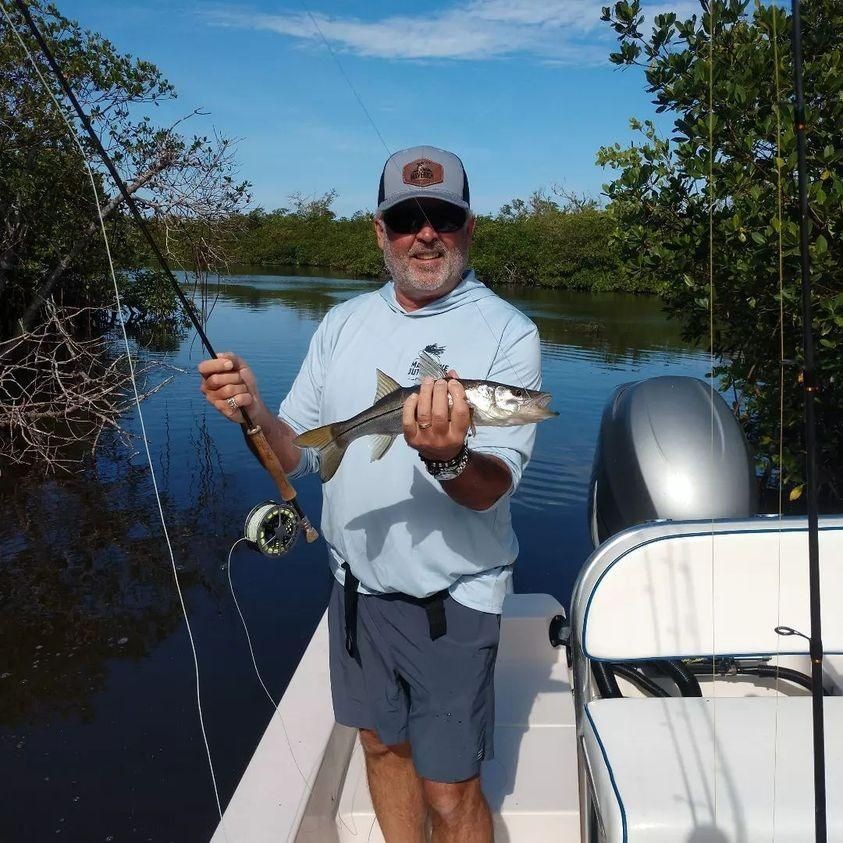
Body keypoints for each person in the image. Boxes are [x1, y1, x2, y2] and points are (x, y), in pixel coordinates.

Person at [199, 146, 542, 843]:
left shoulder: (509, 332)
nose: (425, 233)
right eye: (406, 218)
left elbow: (491, 486)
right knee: (381, 748)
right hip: (354, 591)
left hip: (453, 599)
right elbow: (295, 450)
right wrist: (253, 410)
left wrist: (447, 460)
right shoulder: (342, 322)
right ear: (378, 230)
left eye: (441, 216)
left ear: (468, 227)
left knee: (449, 791)